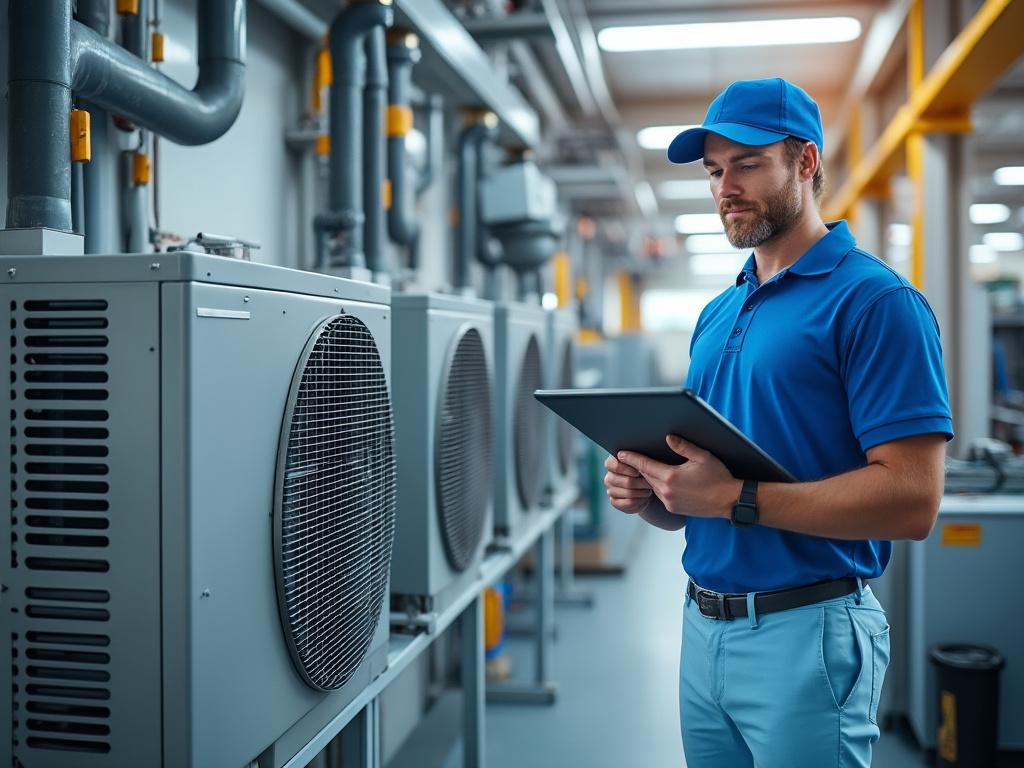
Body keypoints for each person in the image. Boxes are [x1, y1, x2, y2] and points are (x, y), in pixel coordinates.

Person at [603, 78, 953, 768]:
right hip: (703, 628)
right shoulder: (719, 313)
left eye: (747, 163)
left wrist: (733, 499)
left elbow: (914, 500)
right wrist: (655, 495)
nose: (724, 186)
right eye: (713, 170)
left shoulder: (877, 302)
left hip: (808, 633)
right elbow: (702, 492)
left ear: (806, 163)